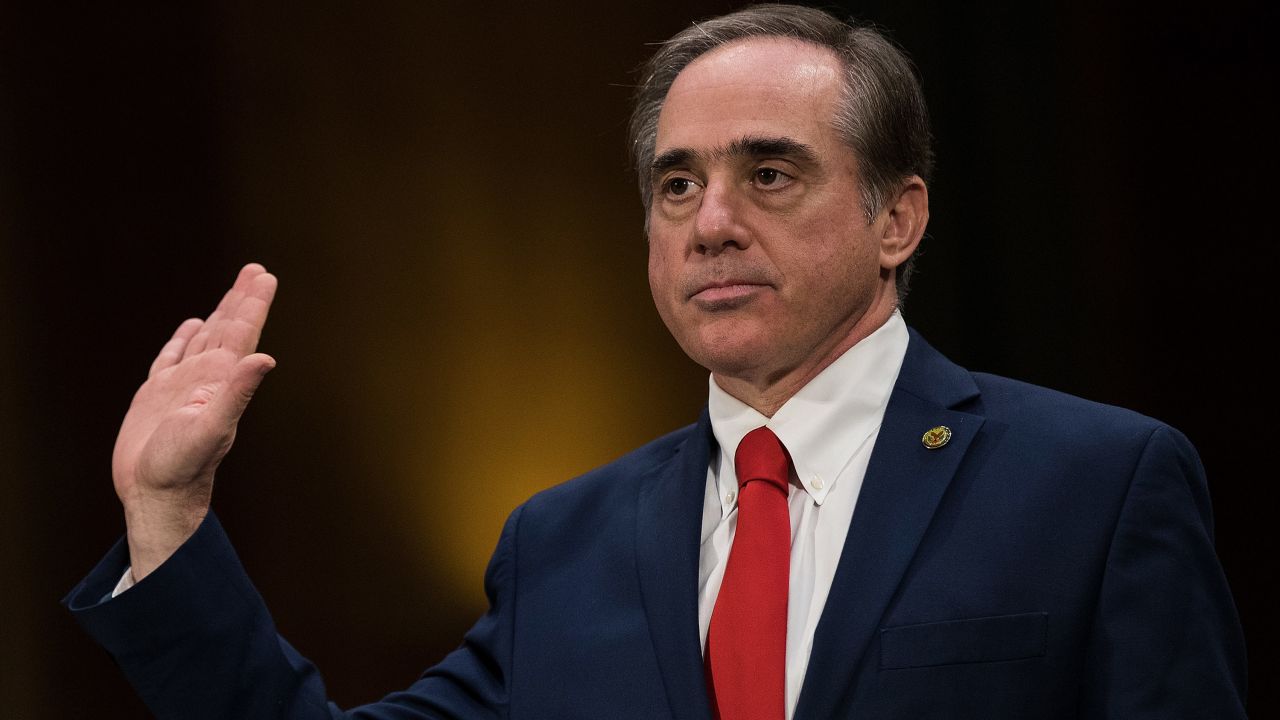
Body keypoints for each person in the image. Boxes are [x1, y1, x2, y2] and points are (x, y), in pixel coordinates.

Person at [66, 4, 1247, 718]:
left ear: (898, 219)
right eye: (674, 183)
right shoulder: (563, 543)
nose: (708, 221)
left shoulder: (1092, 484)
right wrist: (166, 511)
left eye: (768, 173)